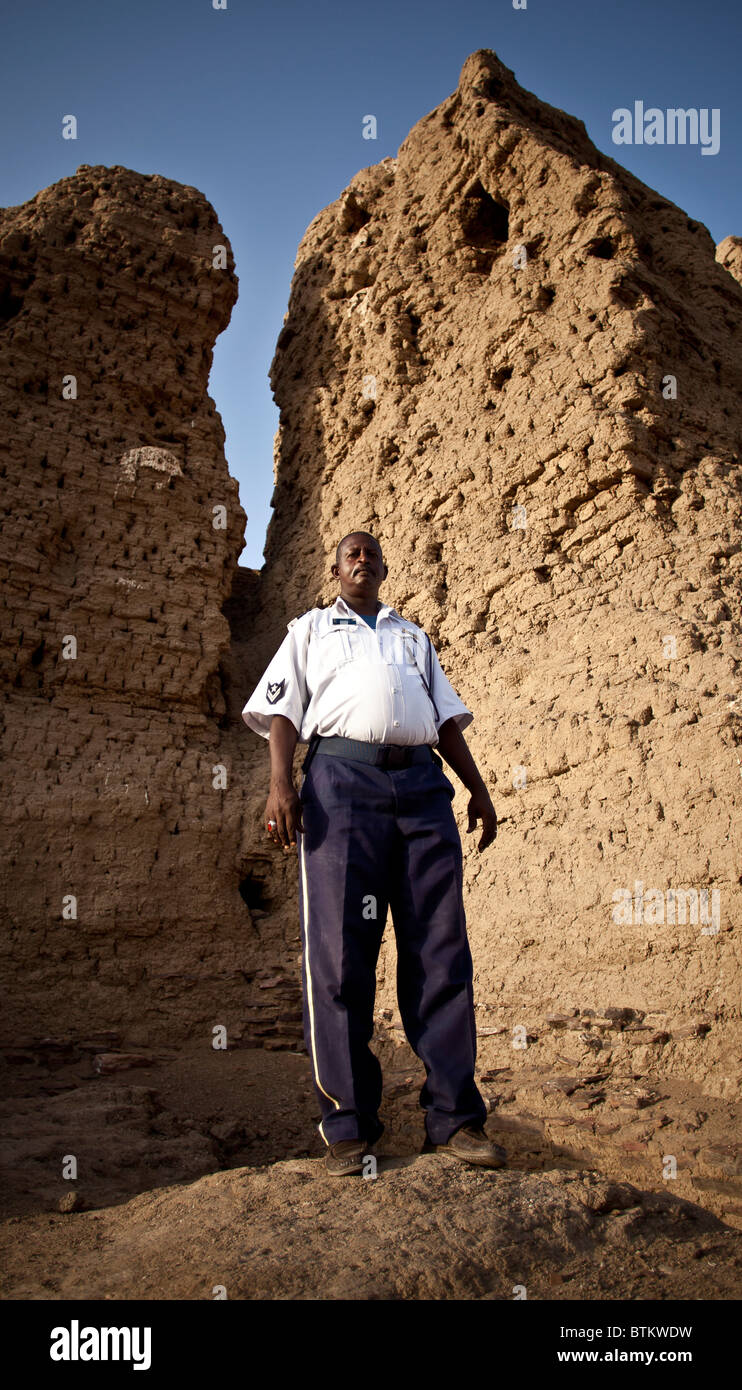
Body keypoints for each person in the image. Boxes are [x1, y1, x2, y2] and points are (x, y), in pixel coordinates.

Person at [241, 531, 506, 1177]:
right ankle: (348, 1127)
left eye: (372, 555)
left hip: (420, 788)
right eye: (351, 555)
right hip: (341, 785)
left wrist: (477, 789)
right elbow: (282, 711)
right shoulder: (309, 629)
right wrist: (282, 783)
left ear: (384, 568)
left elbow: (445, 721)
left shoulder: (411, 637)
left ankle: (455, 1121)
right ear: (335, 570)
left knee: (441, 952)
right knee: (338, 957)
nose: (362, 562)